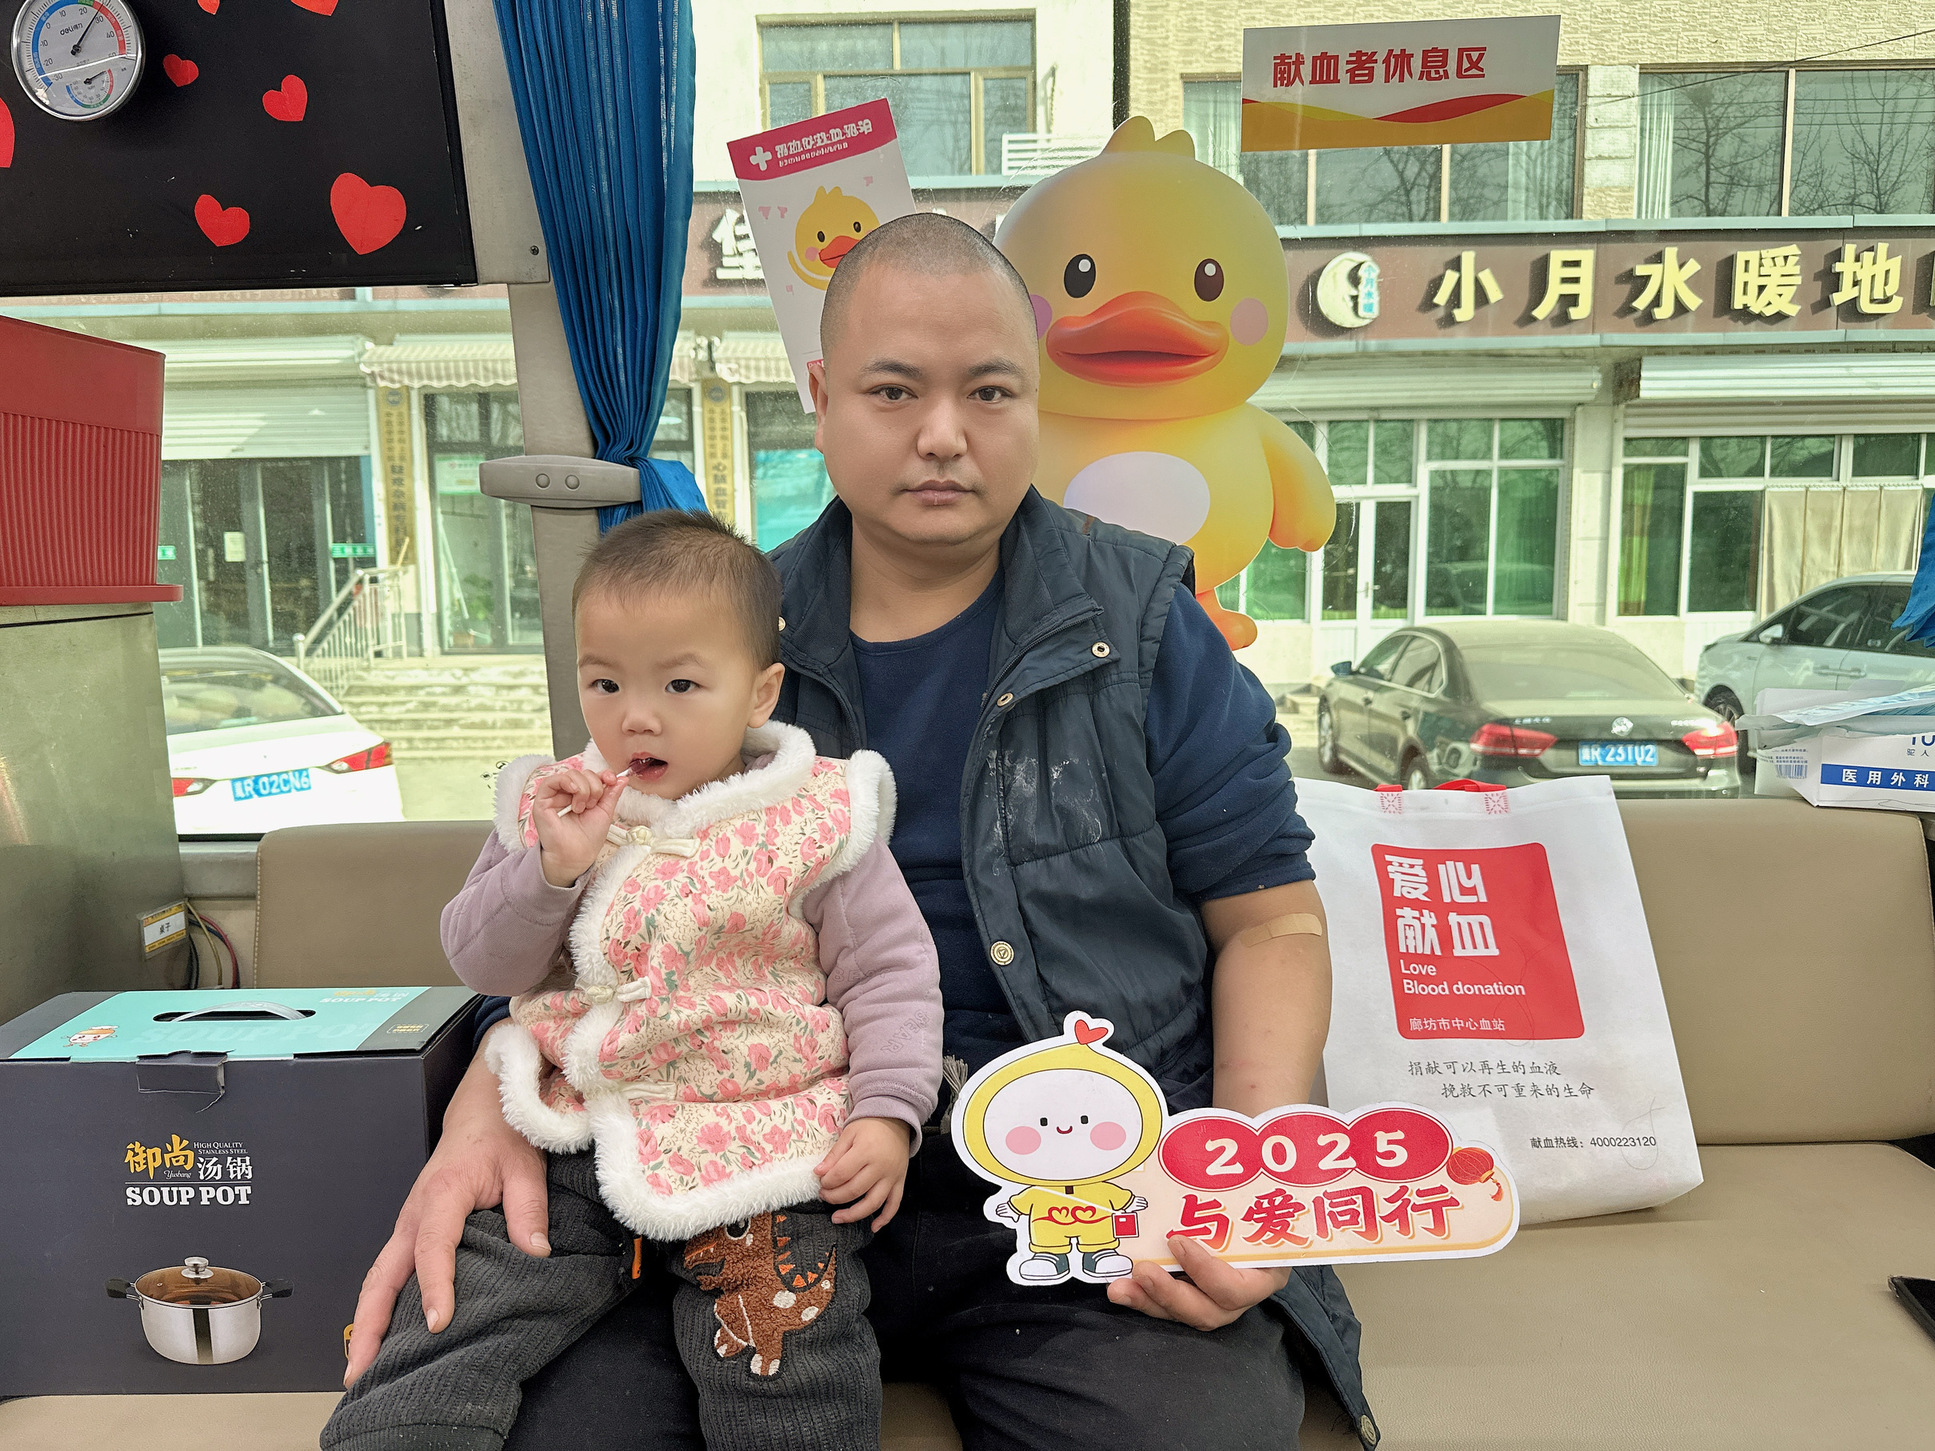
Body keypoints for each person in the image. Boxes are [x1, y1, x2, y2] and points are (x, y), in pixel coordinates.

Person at [344, 212, 1377, 1450]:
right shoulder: (711, 639)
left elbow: (1271, 923)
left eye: (989, 390)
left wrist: (1248, 1185)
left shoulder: (1146, 621)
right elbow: (583, 905)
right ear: (823, 395)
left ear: (1036, 399)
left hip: (1079, 1179)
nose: (943, 433)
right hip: (757, 1175)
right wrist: (480, 1108)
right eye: (894, 391)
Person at [324, 511, 943, 1451]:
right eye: (604, 681)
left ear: (759, 691)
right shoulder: (551, 804)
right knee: (451, 1316)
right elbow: (483, 963)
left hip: (763, 1144)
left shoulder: (818, 813)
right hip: (572, 1131)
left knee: (788, 1356)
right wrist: (550, 871)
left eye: (679, 684)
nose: (635, 715)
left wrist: (889, 1110)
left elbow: (890, 974)